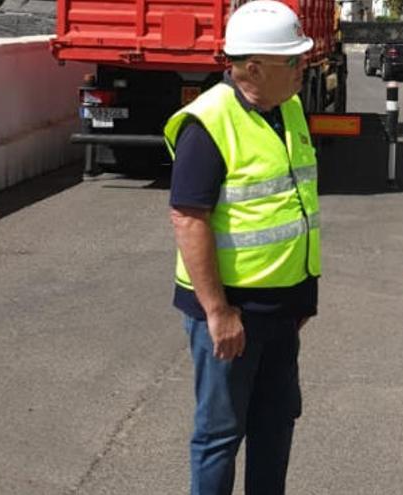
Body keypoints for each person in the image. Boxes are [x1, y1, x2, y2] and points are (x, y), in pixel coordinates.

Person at [164, 2, 319, 493]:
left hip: (281, 307)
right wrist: (217, 311)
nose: (303, 68)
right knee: (219, 434)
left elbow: (292, 204)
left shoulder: (288, 109)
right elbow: (188, 218)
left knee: (276, 424)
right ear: (253, 67)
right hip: (231, 311)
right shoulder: (207, 123)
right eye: (292, 61)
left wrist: (301, 297)